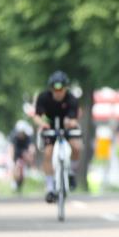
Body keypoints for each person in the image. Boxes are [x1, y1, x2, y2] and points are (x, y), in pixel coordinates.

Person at [33, 70, 82, 203]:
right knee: (48, 153)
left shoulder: (72, 98)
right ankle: (49, 187)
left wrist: (71, 122)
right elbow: (36, 115)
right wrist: (42, 124)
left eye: (61, 89)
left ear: (66, 88)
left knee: (76, 147)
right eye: (55, 88)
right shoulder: (44, 97)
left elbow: (76, 116)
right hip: (50, 126)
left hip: (67, 126)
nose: (58, 92)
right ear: (51, 88)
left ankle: (70, 172)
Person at [9, 120, 34, 193]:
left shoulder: (28, 137)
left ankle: (20, 184)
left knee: (22, 172)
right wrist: (13, 162)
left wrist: (30, 157)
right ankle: (14, 183)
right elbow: (11, 149)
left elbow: (31, 148)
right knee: (16, 168)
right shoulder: (14, 137)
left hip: (24, 153)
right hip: (16, 154)